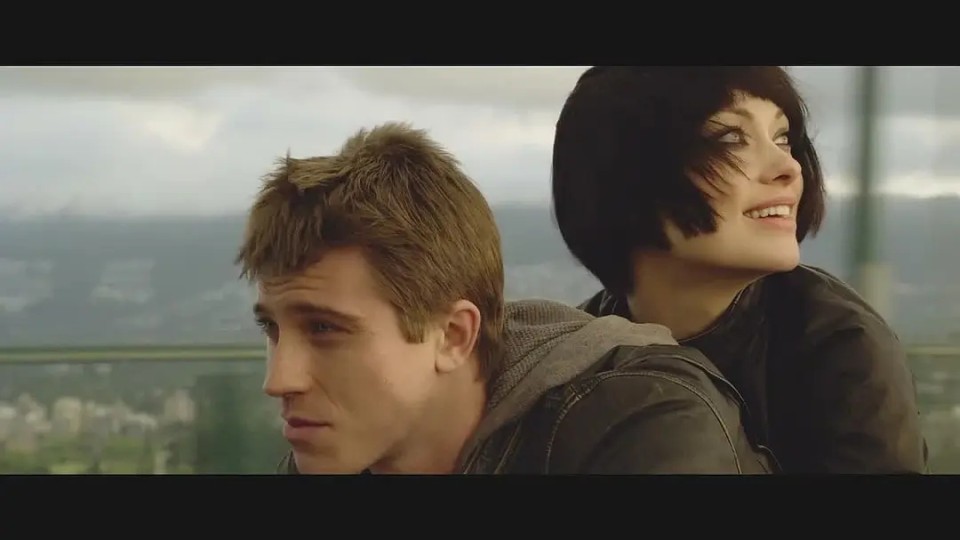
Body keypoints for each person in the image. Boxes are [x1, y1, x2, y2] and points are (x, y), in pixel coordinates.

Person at [234, 121, 772, 474]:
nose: (279, 380)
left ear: (453, 336)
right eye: (272, 329)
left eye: (324, 329)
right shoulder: (343, 451)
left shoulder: (640, 428)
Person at [550, 66, 927, 473]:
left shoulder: (842, 348)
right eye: (731, 137)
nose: (789, 167)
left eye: (783, 138)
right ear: (624, 173)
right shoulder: (565, 360)